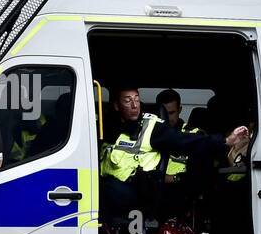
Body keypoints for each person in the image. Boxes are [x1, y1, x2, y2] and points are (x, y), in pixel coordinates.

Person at [99, 86, 248, 223]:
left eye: (137, 99)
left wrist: (226, 141)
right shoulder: (107, 129)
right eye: (128, 101)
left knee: (102, 190)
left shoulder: (152, 128)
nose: (134, 105)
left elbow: (187, 142)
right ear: (117, 106)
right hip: (115, 187)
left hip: (142, 192)